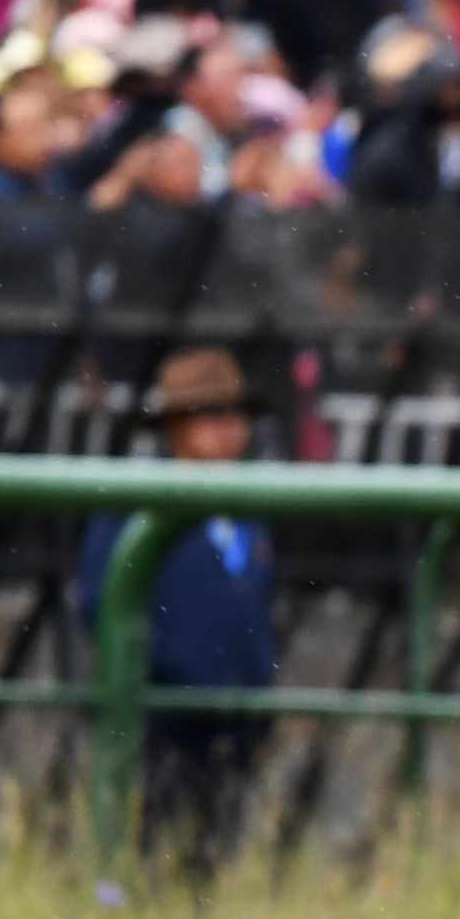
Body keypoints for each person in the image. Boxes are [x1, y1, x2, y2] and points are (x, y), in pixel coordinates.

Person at [77, 350, 277, 878]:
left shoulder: (251, 513)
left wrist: (259, 697)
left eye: (237, 417)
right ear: (176, 427)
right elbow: (102, 602)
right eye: (213, 416)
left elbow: (257, 614)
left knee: (212, 868)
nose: (231, 431)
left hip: (230, 731)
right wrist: (173, 674)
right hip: (158, 728)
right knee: (145, 864)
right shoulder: (133, 503)